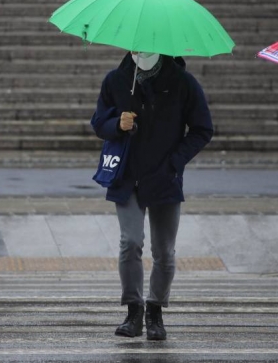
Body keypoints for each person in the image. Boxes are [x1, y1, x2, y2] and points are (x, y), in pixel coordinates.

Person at [91, 51, 213, 340]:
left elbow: (203, 129)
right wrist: (116, 124)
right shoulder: (116, 79)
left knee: (164, 251)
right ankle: (133, 310)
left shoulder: (182, 82)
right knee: (130, 242)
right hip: (127, 177)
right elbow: (98, 123)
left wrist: (175, 162)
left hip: (164, 178)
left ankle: (155, 311)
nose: (139, 48)